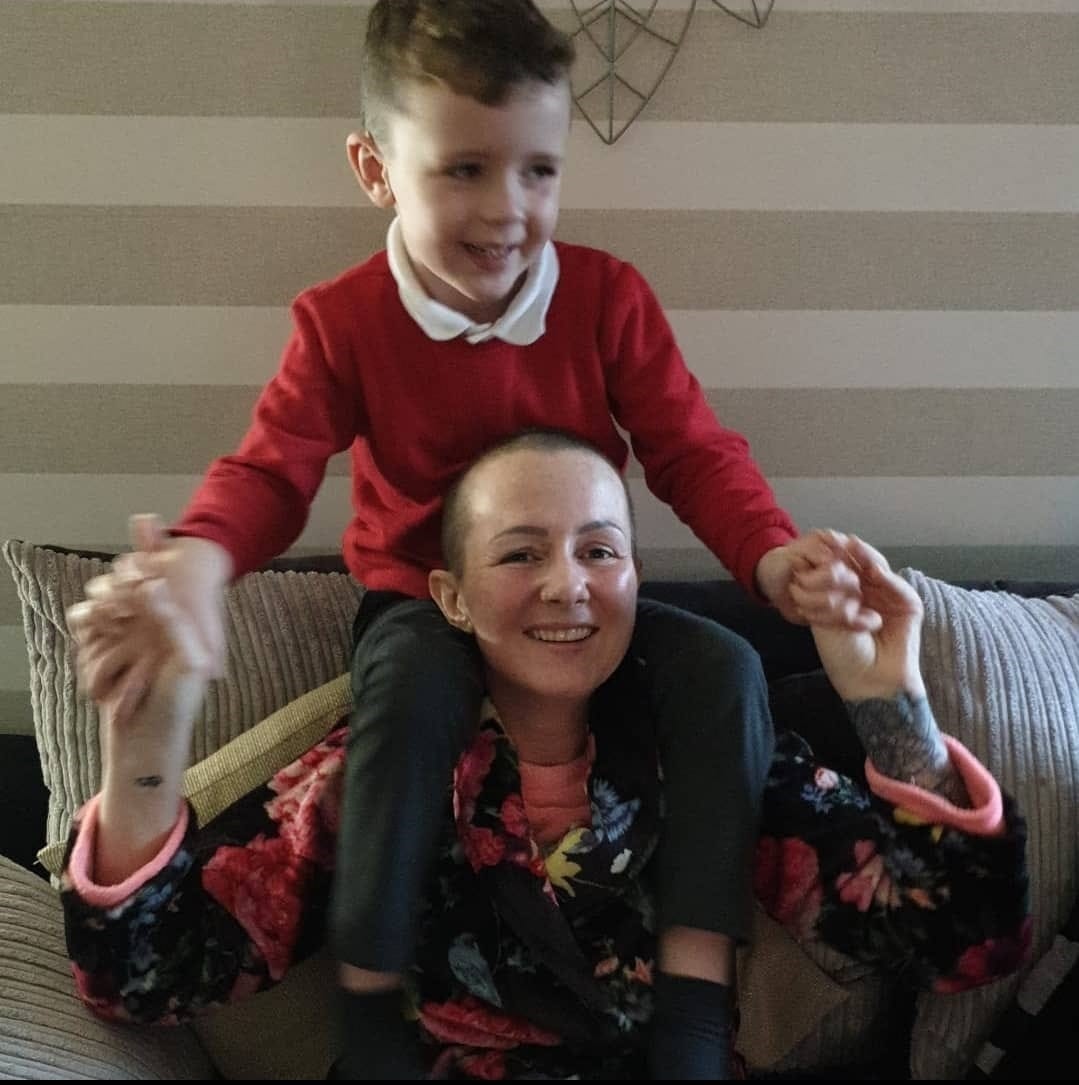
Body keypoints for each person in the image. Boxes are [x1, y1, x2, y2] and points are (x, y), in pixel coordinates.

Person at [80, 0, 899, 1077]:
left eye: (538, 171)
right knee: (414, 693)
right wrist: (199, 550)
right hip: (419, 606)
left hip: (582, 599)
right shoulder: (342, 320)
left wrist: (767, 554)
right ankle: (371, 1006)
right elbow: (271, 471)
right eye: (463, 169)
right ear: (375, 168)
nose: (506, 209)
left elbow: (690, 447)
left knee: (728, 661)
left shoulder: (605, 298)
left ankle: (694, 1008)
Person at [65, 432, 1030, 1081]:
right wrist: (143, 740)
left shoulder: (712, 753)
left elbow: (965, 946)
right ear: (448, 596)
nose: (568, 585)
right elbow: (147, 978)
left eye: (600, 552)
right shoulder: (379, 774)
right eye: (521, 554)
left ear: (636, 581)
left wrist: (887, 700)